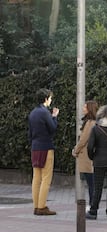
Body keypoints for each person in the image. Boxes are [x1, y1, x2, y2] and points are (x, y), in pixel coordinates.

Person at [28, 88, 59, 216]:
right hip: (46, 147)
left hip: (35, 147)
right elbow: (52, 128)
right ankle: (42, 207)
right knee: (46, 178)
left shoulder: (33, 113)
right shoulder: (45, 112)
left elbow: (29, 133)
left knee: (36, 177)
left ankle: (36, 206)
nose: (51, 100)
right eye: (50, 98)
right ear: (46, 98)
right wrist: (54, 117)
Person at [72, 100, 98, 209]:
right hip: (90, 156)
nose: (82, 109)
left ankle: (92, 205)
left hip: (87, 156)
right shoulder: (94, 122)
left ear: (89, 109)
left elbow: (83, 139)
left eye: (85, 107)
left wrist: (75, 150)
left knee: (91, 183)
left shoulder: (90, 123)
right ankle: (93, 204)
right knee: (92, 183)